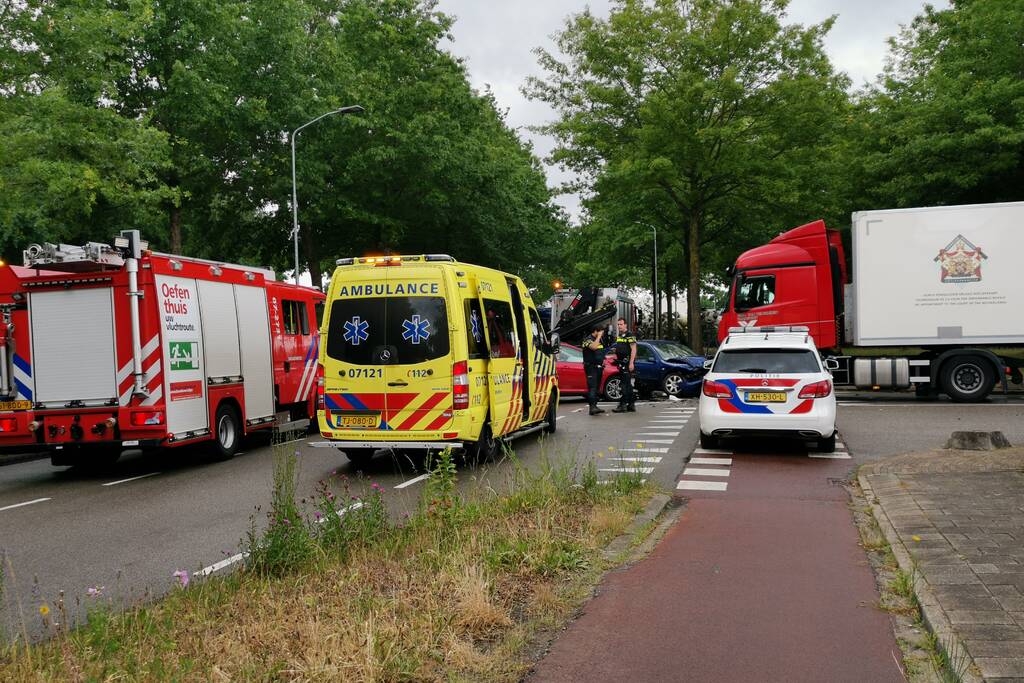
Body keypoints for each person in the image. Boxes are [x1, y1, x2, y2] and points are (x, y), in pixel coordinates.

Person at [612, 317, 637, 413]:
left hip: (626, 363)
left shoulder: (629, 334)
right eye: (618, 324)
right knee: (627, 384)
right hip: (621, 362)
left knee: (624, 385)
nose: (619, 326)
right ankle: (631, 404)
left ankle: (622, 405)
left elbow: (634, 349)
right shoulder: (620, 335)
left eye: (621, 324)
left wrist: (631, 363)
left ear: (625, 325)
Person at [581, 324, 607, 416]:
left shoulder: (599, 340)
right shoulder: (587, 340)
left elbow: (599, 351)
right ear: (596, 331)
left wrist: (603, 360)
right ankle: (592, 408)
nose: (602, 334)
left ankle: (595, 406)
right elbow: (594, 347)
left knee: (596, 388)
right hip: (590, 367)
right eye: (601, 332)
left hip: (598, 367)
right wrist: (599, 336)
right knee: (592, 387)